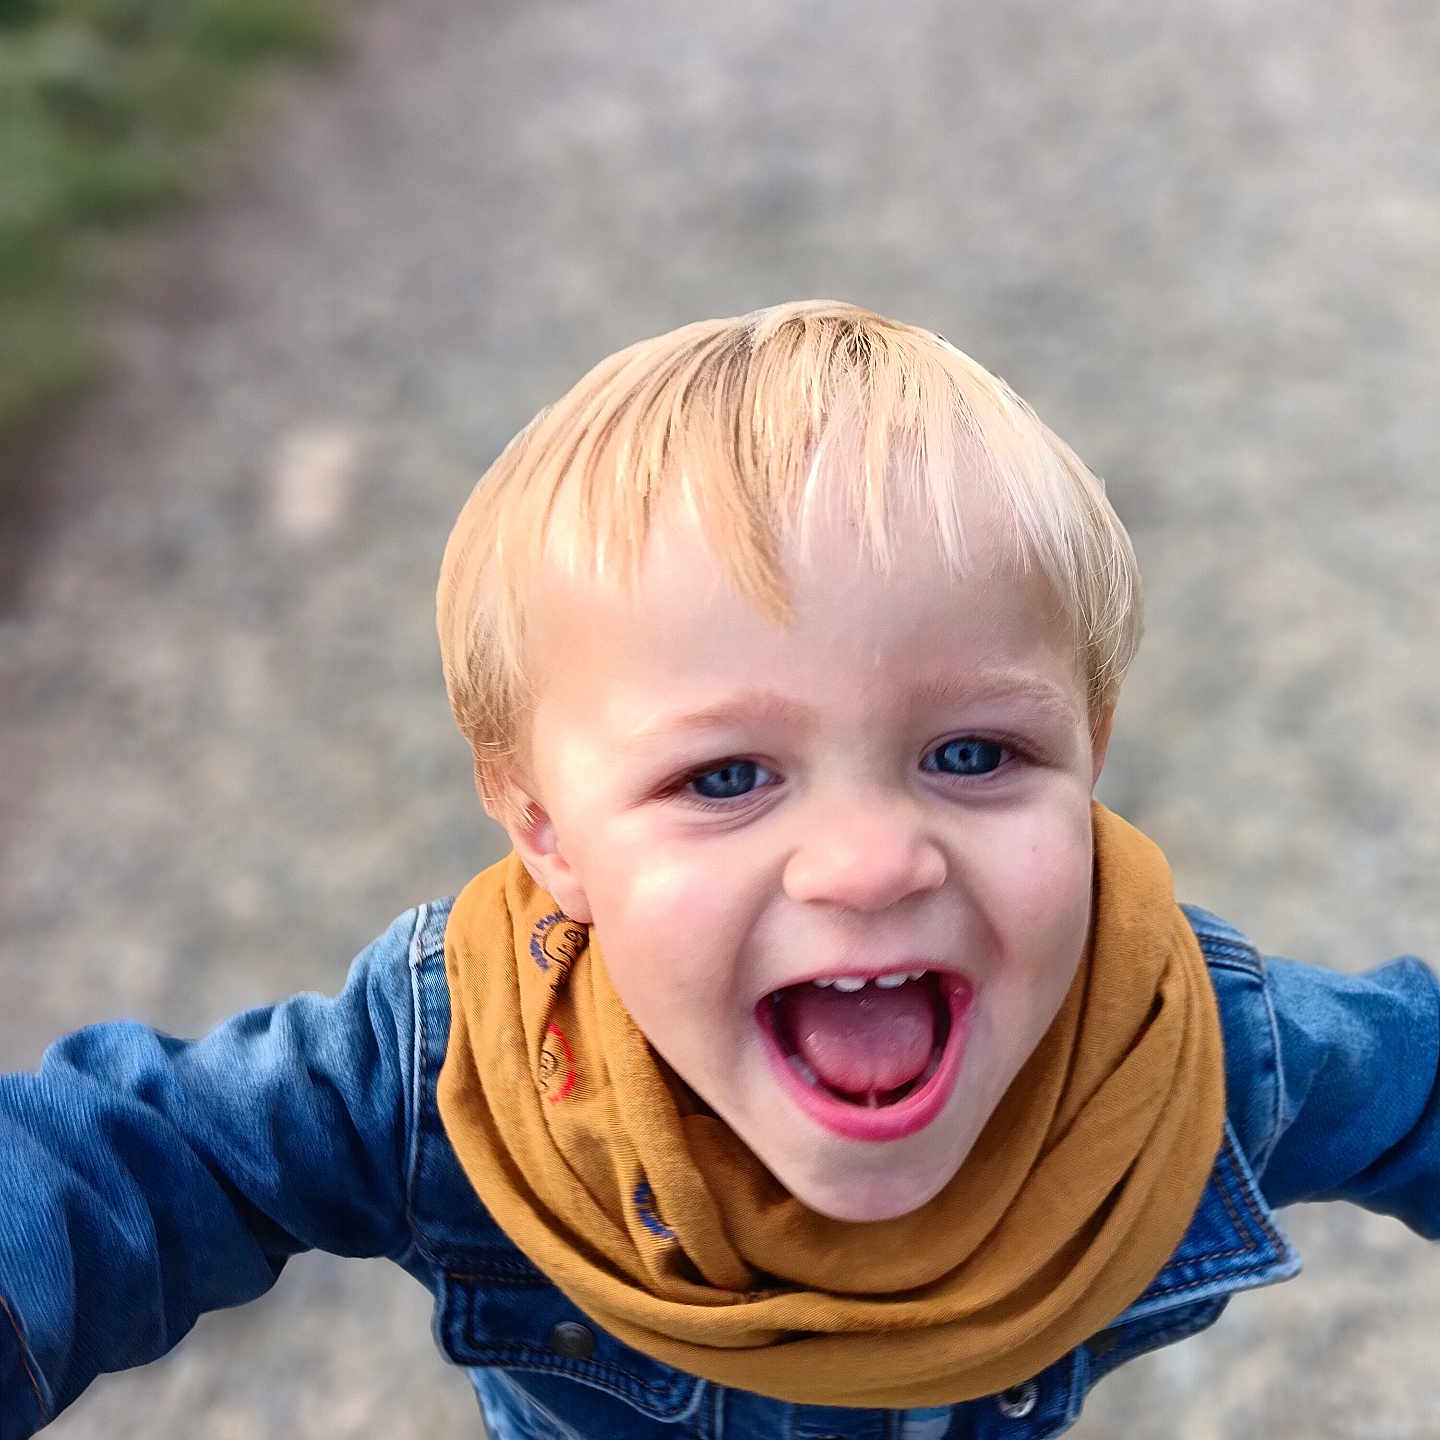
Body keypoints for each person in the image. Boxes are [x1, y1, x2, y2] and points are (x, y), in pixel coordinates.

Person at [2, 301, 1437, 1440]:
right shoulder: (462, 1060)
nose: (873, 862)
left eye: (975, 754)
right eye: (726, 776)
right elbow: (126, 1159)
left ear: (1091, 749)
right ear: (546, 830)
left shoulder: (1177, 1046)